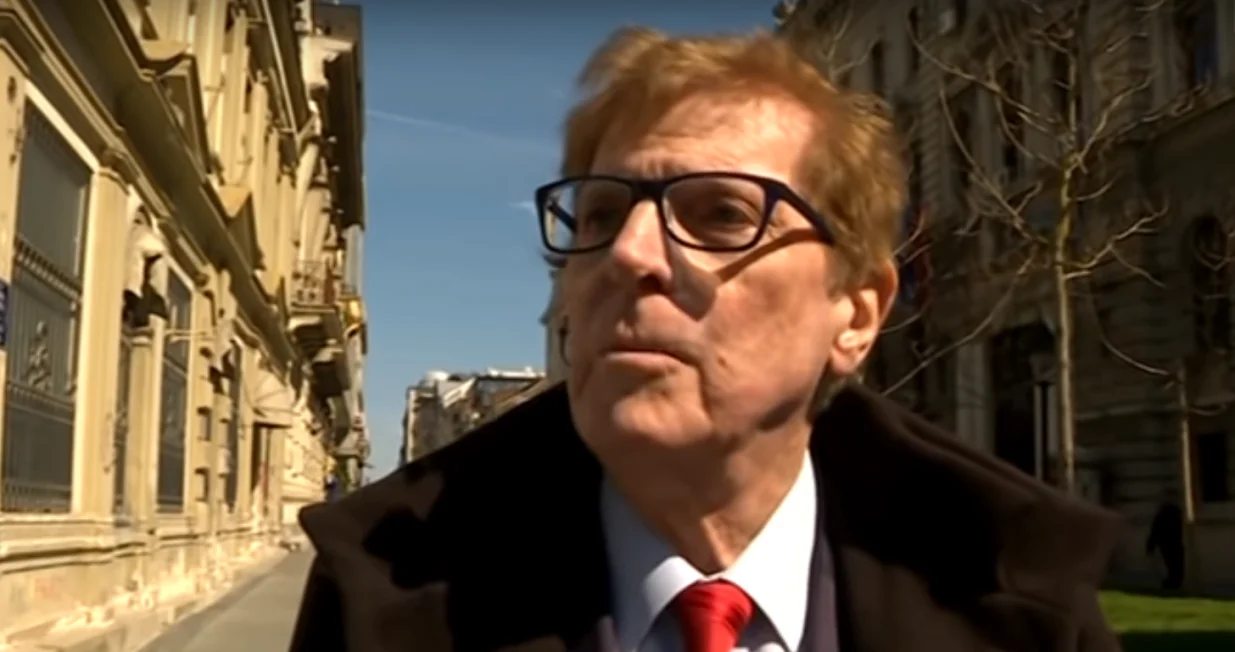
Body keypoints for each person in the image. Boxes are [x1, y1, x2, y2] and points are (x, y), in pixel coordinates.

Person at [289, 27, 1123, 652]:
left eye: (722, 214)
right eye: (601, 214)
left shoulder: (1021, 601)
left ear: (856, 312)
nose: (629, 255)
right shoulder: (381, 599)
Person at [1146, 496, 1185, 590]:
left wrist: (1150, 546)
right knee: (1176, 566)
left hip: (1166, 544)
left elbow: (1155, 531)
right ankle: (1173, 583)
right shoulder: (1177, 514)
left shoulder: (1161, 515)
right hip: (1174, 543)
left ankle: (1170, 583)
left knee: (1170, 566)